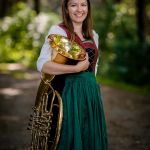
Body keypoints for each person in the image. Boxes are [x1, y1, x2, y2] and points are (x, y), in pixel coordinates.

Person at [37, 0, 108, 149]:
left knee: (89, 137)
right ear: (66, 9)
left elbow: (93, 69)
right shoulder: (58, 31)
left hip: (90, 94)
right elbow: (42, 65)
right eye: (73, 5)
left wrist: (91, 91)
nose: (79, 9)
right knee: (66, 139)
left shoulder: (94, 35)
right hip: (67, 94)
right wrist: (75, 69)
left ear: (88, 8)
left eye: (83, 4)